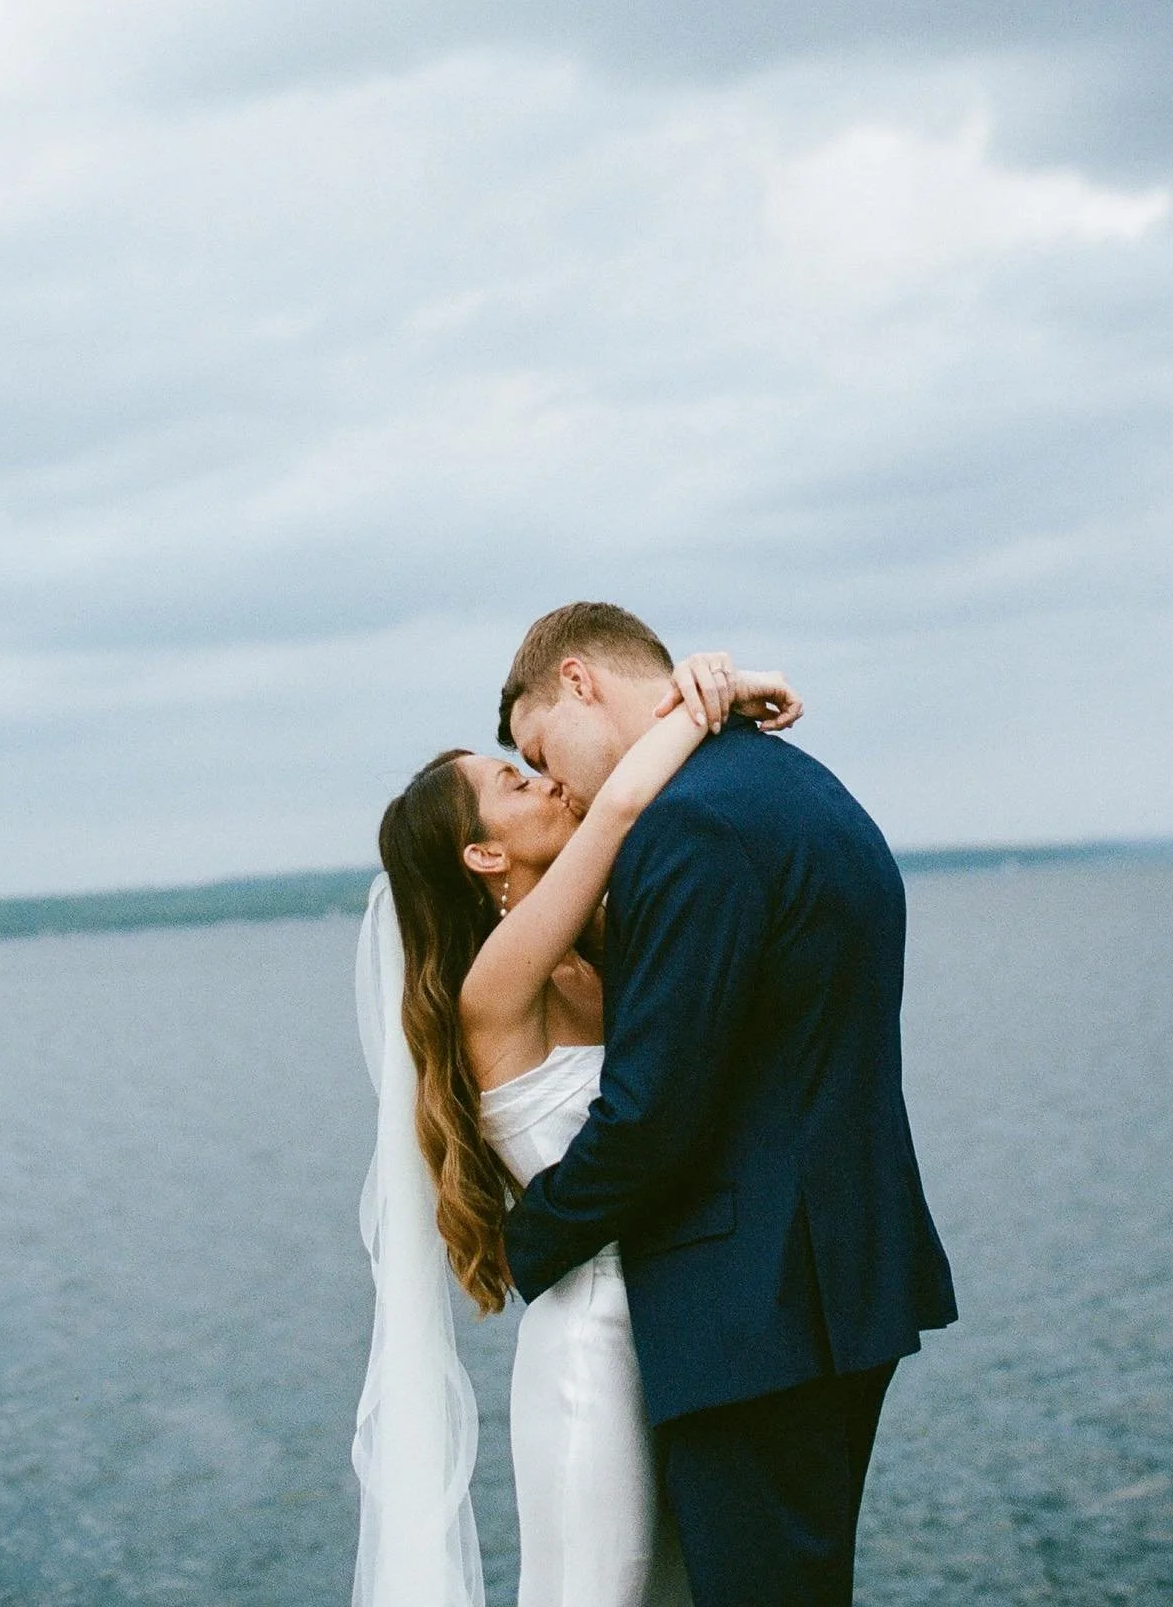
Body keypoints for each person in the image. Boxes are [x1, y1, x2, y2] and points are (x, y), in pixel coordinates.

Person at [498, 603, 957, 1607]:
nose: (559, 785)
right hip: (839, 1283)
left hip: (756, 1311)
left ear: (578, 682)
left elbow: (654, 1112)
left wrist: (526, 1242)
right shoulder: (799, 784)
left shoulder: (691, 826)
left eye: (541, 749)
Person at [353, 645, 800, 1607]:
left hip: (678, 1327)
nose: (547, 782)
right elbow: (624, 807)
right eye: (516, 781)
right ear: (482, 854)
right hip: (590, 1349)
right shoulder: (498, 984)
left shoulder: (586, 956)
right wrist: (701, 702)